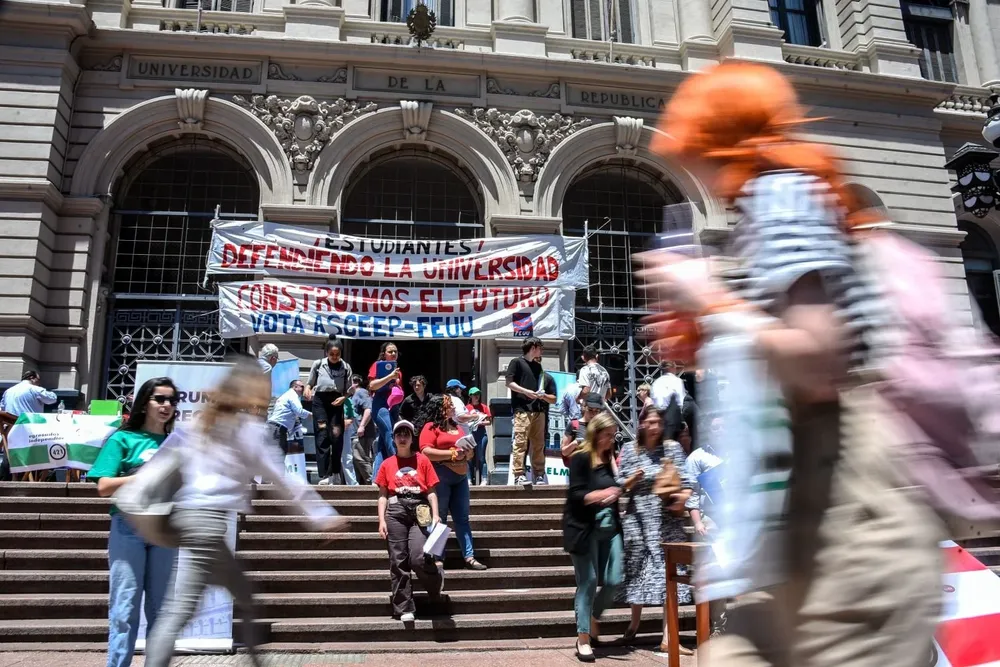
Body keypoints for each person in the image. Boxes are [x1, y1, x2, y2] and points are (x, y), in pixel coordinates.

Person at [643, 60, 942, 667]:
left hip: (844, 514)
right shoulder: (777, 205)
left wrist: (708, 299)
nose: (692, 172)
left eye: (693, 152)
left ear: (720, 140)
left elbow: (817, 356)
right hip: (802, 515)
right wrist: (708, 333)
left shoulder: (779, 192)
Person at [142, 358, 347, 667]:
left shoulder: (202, 422)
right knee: (181, 610)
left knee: (231, 600)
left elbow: (164, 462)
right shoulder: (248, 430)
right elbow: (282, 480)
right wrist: (323, 517)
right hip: (208, 523)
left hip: (189, 518)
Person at [88, 377, 180, 667]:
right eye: (160, 399)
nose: (167, 405)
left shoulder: (176, 444)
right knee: (124, 608)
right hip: (129, 527)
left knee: (161, 611)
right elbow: (103, 486)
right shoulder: (122, 439)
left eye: (172, 400)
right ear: (144, 403)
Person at [616, 406, 696, 655]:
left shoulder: (672, 449)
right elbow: (619, 483)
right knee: (639, 575)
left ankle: (669, 637)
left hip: (667, 522)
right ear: (641, 423)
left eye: (658, 423)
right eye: (650, 422)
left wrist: (681, 499)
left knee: (669, 577)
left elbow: (688, 482)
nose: (654, 427)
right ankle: (634, 623)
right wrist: (632, 480)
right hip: (639, 522)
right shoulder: (630, 449)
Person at [562, 412, 625, 663]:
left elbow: (615, 487)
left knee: (615, 579)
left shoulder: (609, 457)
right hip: (584, 528)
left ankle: (593, 616)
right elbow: (577, 495)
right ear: (595, 434)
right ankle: (583, 638)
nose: (611, 440)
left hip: (611, 527)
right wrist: (603, 493)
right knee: (588, 581)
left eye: (613, 435)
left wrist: (619, 490)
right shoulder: (580, 458)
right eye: (607, 435)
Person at [376, 419, 444, 622]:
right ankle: (404, 607)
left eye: (406, 434)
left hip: (420, 510)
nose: (402, 438)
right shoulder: (387, 464)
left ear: (412, 438)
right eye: (399, 434)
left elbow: (431, 491)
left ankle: (435, 582)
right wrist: (381, 520)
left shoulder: (423, 461)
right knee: (398, 560)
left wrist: (436, 514)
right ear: (394, 439)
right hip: (395, 510)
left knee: (418, 557)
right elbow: (382, 495)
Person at [419, 395, 487, 570]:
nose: (453, 408)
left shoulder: (457, 426)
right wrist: (452, 454)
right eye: (449, 405)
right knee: (440, 517)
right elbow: (425, 451)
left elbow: (469, 452)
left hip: (461, 477)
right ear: (440, 408)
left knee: (462, 518)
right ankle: (437, 557)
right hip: (440, 477)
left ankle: (469, 556)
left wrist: (468, 452)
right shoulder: (430, 427)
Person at [505, 336, 557, 486]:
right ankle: (518, 474)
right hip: (522, 409)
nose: (542, 351)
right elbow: (509, 383)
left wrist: (541, 395)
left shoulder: (538, 367)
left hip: (538, 410)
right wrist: (526, 391)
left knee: (538, 444)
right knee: (520, 442)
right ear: (533, 347)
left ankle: (539, 474)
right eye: (540, 348)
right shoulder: (516, 362)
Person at [306, 338, 353, 485]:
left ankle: (335, 472)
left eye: (337, 354)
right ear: (326, 353)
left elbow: (349, 389)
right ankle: (324, 474)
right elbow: (310, 383)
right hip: (320, 401)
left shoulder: (346, 367)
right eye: (331, 354)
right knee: (322, 434)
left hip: (336, 401)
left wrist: (344, 398)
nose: (334, 357)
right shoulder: (318, 364)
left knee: (336, 436)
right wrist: (307, 389)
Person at [368, 342, 403, 480]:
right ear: (384, 354)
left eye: (395, 351)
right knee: (390, 433)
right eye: (390, 351)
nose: (393, 354)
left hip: (393, 406)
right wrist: (390, 377)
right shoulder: (377, 366)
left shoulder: (398, 370)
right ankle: (399, 466)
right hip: (380, 405)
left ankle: (377, 478)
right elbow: (372, 386)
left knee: (382, 444)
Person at [686, 417, 724, 537]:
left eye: (724, 427)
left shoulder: (738, 454)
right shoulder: (696, 458)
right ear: (708, 431)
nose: (721, 430)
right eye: (715, 428)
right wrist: (698, 523)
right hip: (711, 517)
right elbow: (692, 494)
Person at [267, 379, 310, 455]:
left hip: (275, 428)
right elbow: (299, 411)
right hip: (277, 429)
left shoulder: (287, 395)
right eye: (302, 387)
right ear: (295, 387)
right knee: (278, 455)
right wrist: (312, 415)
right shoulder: (292, 395)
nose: (303, 389)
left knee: (277, 454)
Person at [561, 393, 606, 462]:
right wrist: (574, 444)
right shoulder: (574, 424)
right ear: (584, 407)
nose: (593, 413)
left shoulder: (601, 427)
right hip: (579, 465)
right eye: (590, 409)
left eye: (597, 411)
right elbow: (564, 452)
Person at [350, 375, 377, 486]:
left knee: (361, 458)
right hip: (355, 433)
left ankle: (372, 483)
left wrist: (362, 426)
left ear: (355, 383)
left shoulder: (361, 392)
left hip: (362, 434)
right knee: (356, 460)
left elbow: (369, 409)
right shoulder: (354, 395)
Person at [465, 387, 492, 486]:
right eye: (474, 394)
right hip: (470, 434)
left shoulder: (484, 407)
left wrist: (479, 422)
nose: (477, 396)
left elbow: (489, 422)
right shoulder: (466, 408)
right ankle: (469, 479)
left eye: (478, 394)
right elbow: (463, 420)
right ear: (470, 396)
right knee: (469, 457)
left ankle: (484, 478)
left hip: (481, 433)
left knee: (481, 457)